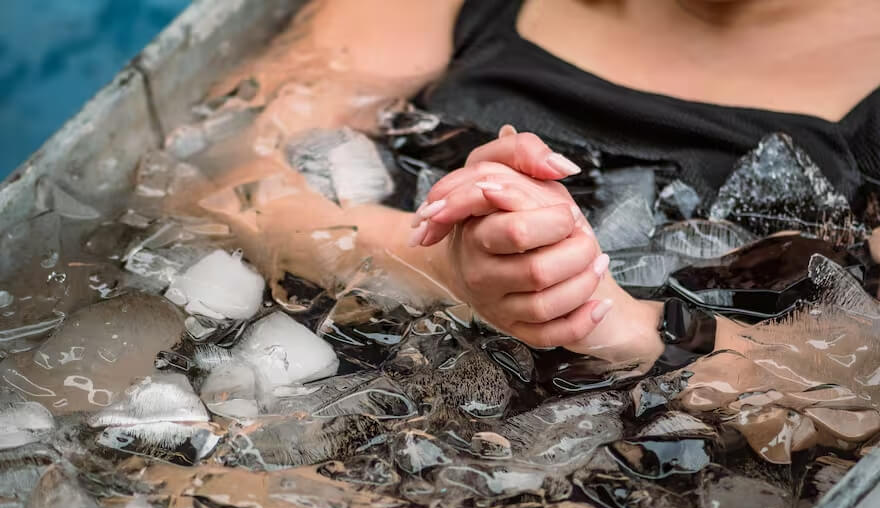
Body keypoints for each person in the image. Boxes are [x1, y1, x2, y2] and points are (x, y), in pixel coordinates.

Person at [224, 0, 880, 366]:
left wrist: (631, 329)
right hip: (295, 385)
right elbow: (222, 183)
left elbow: (863, 383)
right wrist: (440, 263)